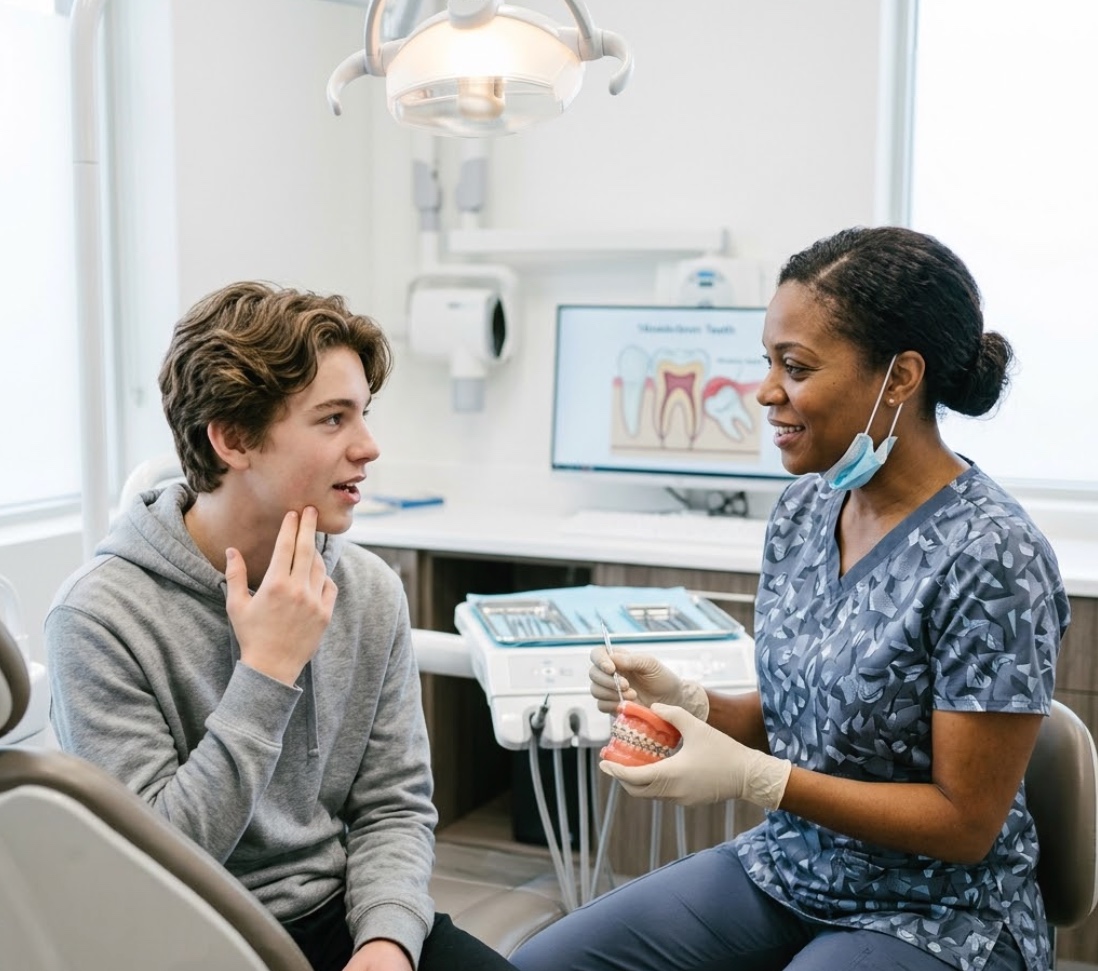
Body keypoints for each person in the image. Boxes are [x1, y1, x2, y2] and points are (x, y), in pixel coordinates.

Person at [510, 227, 1070, 971]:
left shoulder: (993, 555)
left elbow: (964, 823)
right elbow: (806, 722)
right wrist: (695, 705)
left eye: (796, 367)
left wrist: (759, 780)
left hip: (941, 912)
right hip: (791, 869)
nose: (766, 390)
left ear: (900, 377)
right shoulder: (805, 512)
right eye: (767, 362)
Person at [46, 282, 519, 971]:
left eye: (363, 414)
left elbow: (393, 807)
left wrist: (387, 940)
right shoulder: (97, 619)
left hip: (342, 915)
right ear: (234, 439)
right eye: (333, 419)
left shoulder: (369, 589)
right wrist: (267, 670)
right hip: (193, 936)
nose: (368, 447)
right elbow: (149, 867)